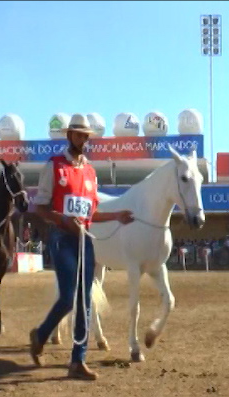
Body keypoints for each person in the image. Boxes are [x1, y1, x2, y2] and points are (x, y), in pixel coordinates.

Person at [29, 113, 135, 380]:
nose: (83, 140)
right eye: (79, 135)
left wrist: (117, 215)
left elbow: (91, 213)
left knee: (85, 300)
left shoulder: (90, 171)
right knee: (68, 297)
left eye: (86, 136)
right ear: (69, 136)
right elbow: (40, 208)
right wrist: (63, 220)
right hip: (61, 237)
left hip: (84, 238)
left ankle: (78, 361)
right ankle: (41, 334)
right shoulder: (53, 166)